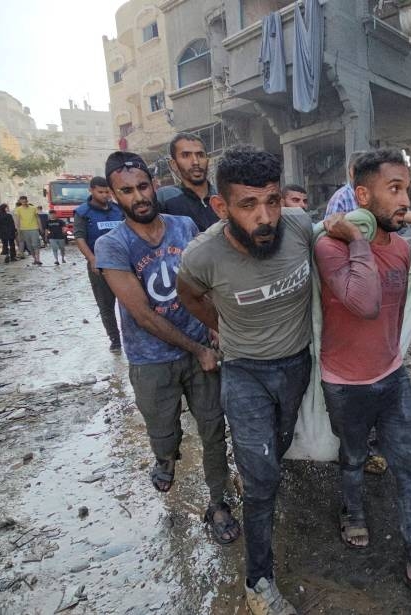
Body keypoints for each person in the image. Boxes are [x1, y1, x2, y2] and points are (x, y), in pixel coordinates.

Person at [316, 149, 411, 611]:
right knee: (355, 454)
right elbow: (363, 303)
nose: (406, 199)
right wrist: (355, 239)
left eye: (408, 189)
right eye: (394, 189)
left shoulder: (402, 248)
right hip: (344, 381)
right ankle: (353, 511)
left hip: (392, 376)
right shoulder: (330, 247)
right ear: (362, 195)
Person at [177, 146, 316, 615]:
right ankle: (259, 583)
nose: (266, 217)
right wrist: (221, 326)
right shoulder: (202, 255)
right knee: (261, 481)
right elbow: (190, 297)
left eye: (273, 201)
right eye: (248, 204)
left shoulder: (300, 227)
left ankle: (259, 471)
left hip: (297, 366)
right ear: (221, 207)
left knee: (275, 451)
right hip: (244, 373)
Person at [94, 151, 239, 546]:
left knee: (213, 430)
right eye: (127, 191)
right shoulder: (112, 245)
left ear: (154, 185)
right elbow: (142, 314)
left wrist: (217, 327)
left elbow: (204, 279)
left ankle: (217, 502)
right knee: (164, 431)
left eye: (143, 186)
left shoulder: (184, 226)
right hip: (151, 361)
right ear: (113, 195)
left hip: (200, 352)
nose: (138, 196)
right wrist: (199, 347)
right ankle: (164, 457)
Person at [74, 177, 125, 352]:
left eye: (107, 192)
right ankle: (115, 339)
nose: (105, 195)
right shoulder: (83, 213)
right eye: (100, 192)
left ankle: (133, 335)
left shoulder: (118, 210)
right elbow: (79, 238)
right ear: (91, 191)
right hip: (100, 266)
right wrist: (92, 259)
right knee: (106, 305)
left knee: (131, 302)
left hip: (124, 264)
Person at [157, 132, 219, 231]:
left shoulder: (224, 195)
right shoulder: (165, 198)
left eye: (200, 155)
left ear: (207, 160)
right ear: (173, 164)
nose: (195, 162)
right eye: (186, 155)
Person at [14, 196, 43, 265]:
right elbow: (17, 220)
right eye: (22, 201)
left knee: (35, 244)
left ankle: (38, 259)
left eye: (25, 201)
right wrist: (18, 230)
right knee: (29, 246)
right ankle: (35, 259)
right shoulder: (18, 209)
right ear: (20, 202)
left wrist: (40, 227)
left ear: (27, 200)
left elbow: (37, 218)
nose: (24, 202)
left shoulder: (33, 208)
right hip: (24, 229)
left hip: (34, 228)